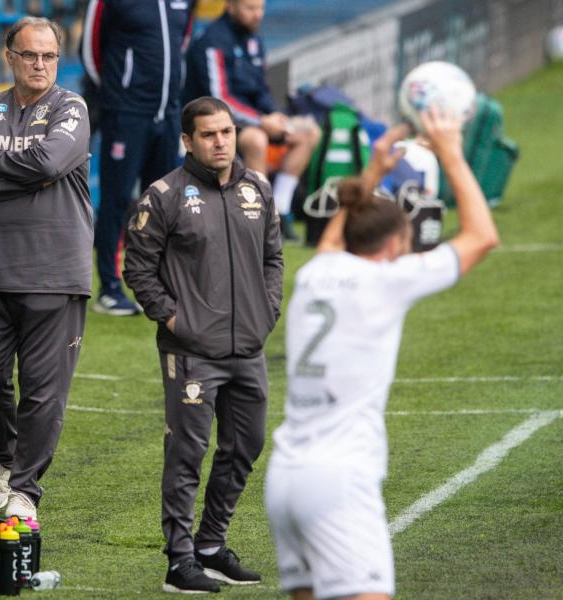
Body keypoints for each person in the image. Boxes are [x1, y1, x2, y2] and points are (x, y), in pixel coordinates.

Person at [263, 108, 499, 600]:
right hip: (339, 481)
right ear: (395, 243)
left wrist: (372, 175)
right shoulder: (388, 281)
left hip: (285, 477)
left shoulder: (314, 275)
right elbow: (482, 236)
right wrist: (452, 154)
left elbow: (333, 237)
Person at [124, 96, 283, 594]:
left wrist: (267, 310)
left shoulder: (257, 187)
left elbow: (273, 258)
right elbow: (137, 268)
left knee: (246, 446)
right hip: (191, 351)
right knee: (187, 454)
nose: (221, 142)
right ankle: (179, 560)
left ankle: (211, 546)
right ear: (187, 141)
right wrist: (176, 319)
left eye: (228, 132)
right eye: (210, 135)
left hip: (248, 348)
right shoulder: (164, 195)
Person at [0, 17, 92, 521]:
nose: (40, 64)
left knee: (41, 389)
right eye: (30, 55)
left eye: (49, 56)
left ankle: (26, 490)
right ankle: (5, 463)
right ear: (10, 57)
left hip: (56, 271)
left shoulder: (71, 106)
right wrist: (25, 176)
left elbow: (51, 163)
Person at [82, 0, 197, 316]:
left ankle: (155, 286)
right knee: (116, 201)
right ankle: (110, 287)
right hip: (126, 113)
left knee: (162, 203)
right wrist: (117, 94)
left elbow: (181, 41)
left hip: (168, 113)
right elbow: (91, 51)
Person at [183, 0, 321, 241]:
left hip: (254, 117)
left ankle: (282, 209)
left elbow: (261, 90)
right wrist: (261, 121)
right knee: (257, 140)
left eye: (260, 8)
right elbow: (219, 97)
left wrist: (274, 114)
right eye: (250, 8)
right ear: (231, 7)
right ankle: (259, 215)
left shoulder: (254, 40)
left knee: (308, 132)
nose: (257, 15)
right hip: (215, 122)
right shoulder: (212, 42)